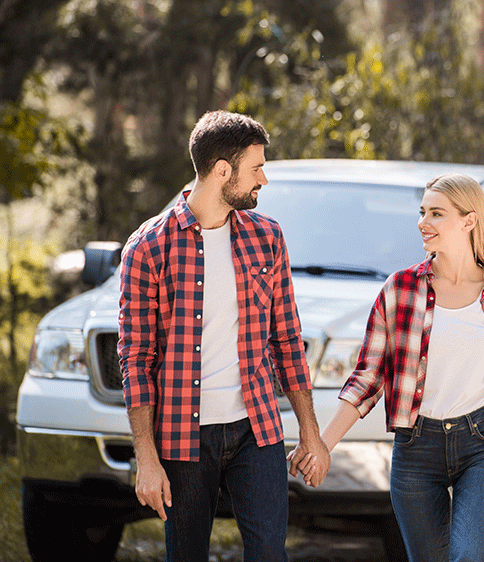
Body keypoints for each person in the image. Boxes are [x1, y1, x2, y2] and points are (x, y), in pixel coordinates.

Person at [118, 110, 329, 562]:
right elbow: (135, 358)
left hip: (257, 429)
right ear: (221, 171)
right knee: (187, 554)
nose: (264, 180)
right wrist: (147, 458)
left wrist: (310, 433)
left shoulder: (267, 237)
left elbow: (287, 339)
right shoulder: (148, 248)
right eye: (256, 168)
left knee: (271, 555)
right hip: (181, 436)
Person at [307, 173, 484, 562]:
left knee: (466, 557)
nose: (423, 223)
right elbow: (367, 378)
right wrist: (323, 447)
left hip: (482, 446)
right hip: (416, 448)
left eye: (436, 213)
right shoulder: (401, 290)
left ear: (469, 221)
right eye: (422, 212)